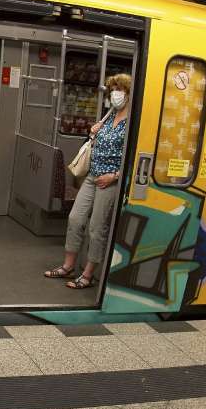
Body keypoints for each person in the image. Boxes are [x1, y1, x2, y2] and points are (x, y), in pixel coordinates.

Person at [45, 73, 133, 290]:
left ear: (129, 94)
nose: (115, 94)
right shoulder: (110, 115)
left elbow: (134, 156)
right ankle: (68, 266)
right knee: (75, 219)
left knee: (96, 227)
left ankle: (88, 274)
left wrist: (115, 176)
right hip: (92, 176)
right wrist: (93, 132)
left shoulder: (133, 122)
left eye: (119, 90)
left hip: (110, 181)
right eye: (113, 90)